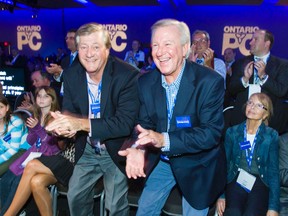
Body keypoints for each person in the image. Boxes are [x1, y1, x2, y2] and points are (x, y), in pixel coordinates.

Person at [118, 18, 226, 216]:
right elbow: (142, 124)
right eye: (155, 45)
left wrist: (163, 139)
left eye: (168, 44)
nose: (160, 52)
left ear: (185, 49)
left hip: (197, 163)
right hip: (164, 162)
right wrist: (137, 147)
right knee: (144, 210)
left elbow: (211, 133)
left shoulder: (209, 82)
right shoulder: (146, 82)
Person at [45, 22, 140, 216]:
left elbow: (123, 124)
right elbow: (70, 112)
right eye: (83, 47)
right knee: (75, 196)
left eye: (95, 47)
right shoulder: (72, 75)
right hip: (87, 147)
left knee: (114, 206)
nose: (89, 53)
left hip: (116, 149)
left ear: (107, 49)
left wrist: (78, 124)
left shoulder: (127, 75)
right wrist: (63, 127)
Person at [216, 93, 279, 216]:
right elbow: (224, 166)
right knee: (233, 212)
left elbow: (273, 172)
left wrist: (273, 207)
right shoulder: (232, 132)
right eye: (250, 102)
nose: (252, 107)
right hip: (236, 178)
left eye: (259, 105)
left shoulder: (271, 136)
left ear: (266, 114)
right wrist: (221, 195)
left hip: (260, 181)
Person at [1, 86, 61, 215]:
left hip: (49, 159)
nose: (41, 99)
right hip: (33, 155)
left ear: (52, 99)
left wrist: (37, 128)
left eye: (45, 96)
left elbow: (53, 147)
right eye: (39, 96)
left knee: (17, 181)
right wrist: (33, 129)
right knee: (7, 178)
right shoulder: (37, 116)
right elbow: (31, 141)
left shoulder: (56, 117)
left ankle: (10, 212)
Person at [228, 29, 288, 135]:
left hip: (270, 123)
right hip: (241, 121)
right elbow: (231, 90)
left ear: (267, 43)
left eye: (255, 39)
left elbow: (282, 91)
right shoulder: (240, 63)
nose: (250, 42)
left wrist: (264, 77)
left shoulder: (282, 65)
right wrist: (244, 80)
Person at [0, 95, 29, 176]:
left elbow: (13, 149)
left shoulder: (15, 122)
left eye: (1, 107)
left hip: (22, 150)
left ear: (7, 107)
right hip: (6, 151)